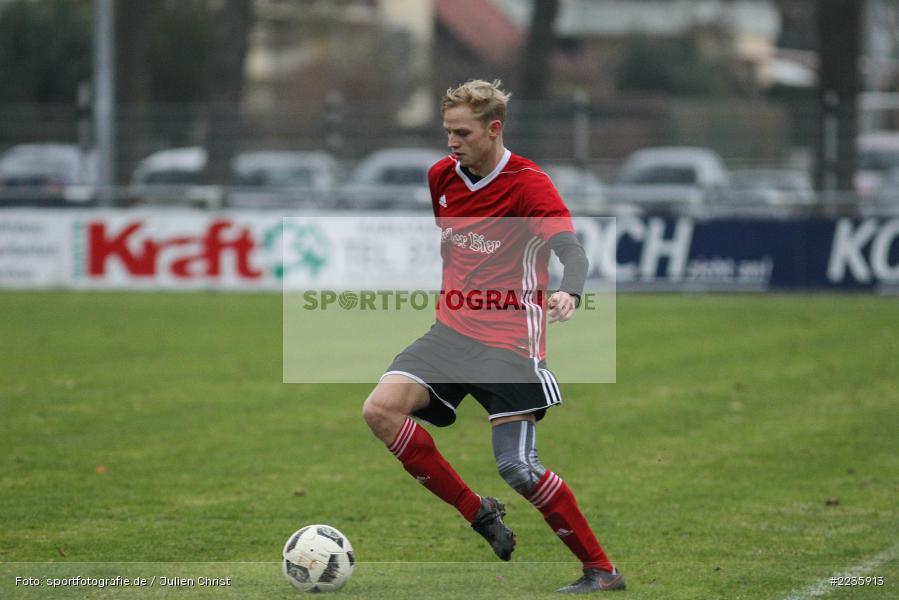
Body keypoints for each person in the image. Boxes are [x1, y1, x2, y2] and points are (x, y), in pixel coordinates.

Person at [362, 79, 625, 593]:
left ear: (493, 129)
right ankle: (479, 512)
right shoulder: (440, 176)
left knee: (518, 468)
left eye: (462, 133)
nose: (452, 142)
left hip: (509, 342)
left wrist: (570, 291)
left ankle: (602, 570)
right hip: (450, 332)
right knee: (380, 410)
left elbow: (571, 250)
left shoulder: (529, 184)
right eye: (447, 131)